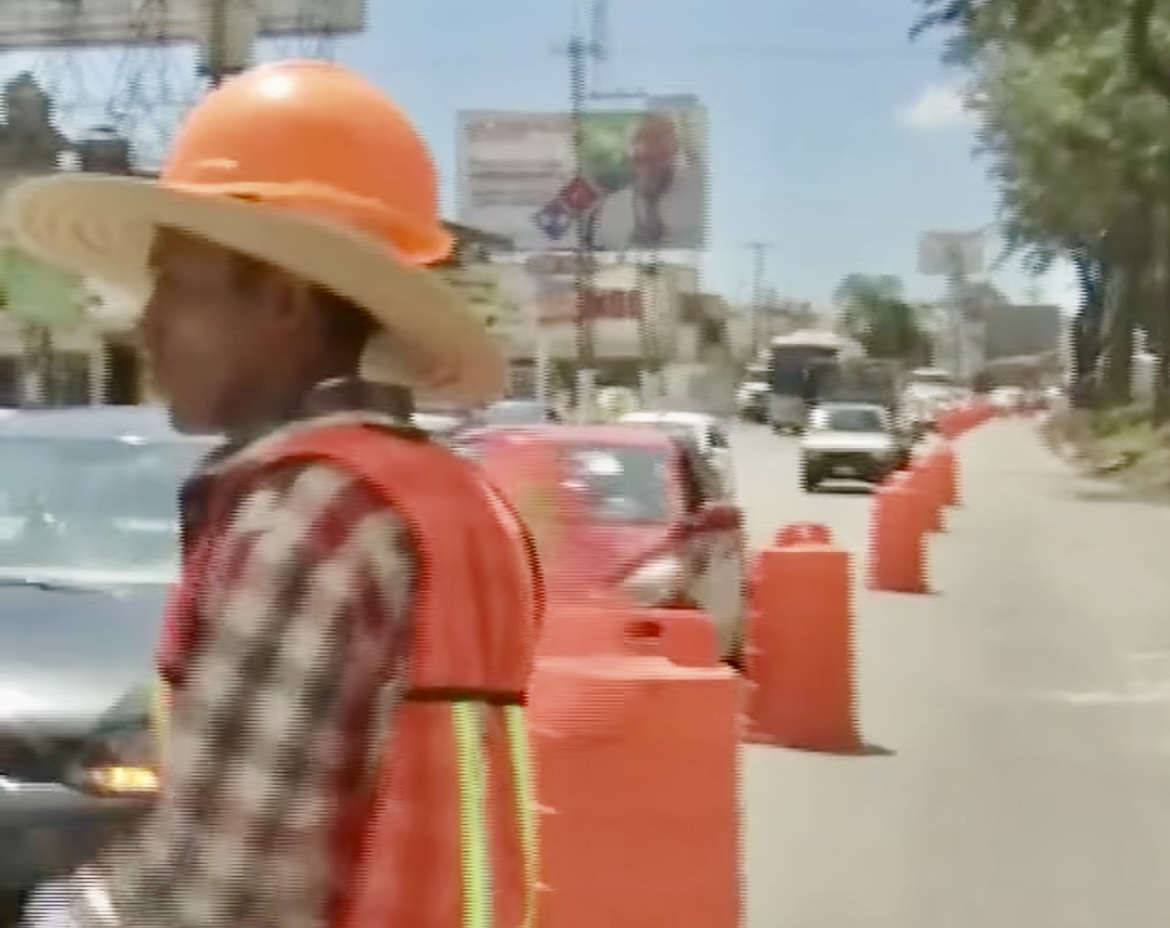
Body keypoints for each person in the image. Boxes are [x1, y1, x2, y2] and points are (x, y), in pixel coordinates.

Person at [4, 60, 541, 928]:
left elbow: (220, 894)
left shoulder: (309, 514)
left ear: (286, 300)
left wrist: (61, 913)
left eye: (177, 284)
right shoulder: (451, 497)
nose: (147, 324)